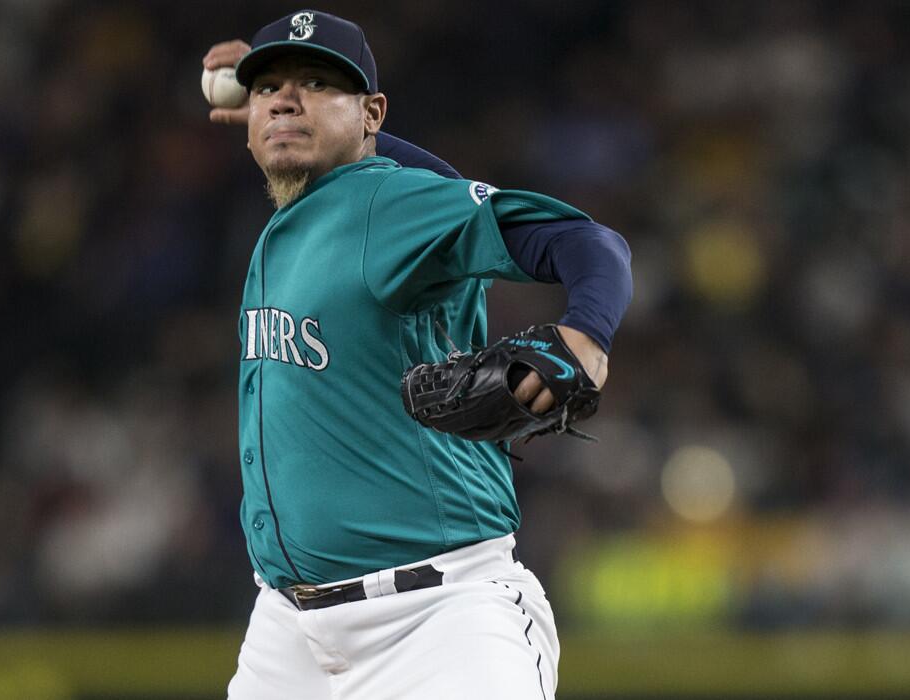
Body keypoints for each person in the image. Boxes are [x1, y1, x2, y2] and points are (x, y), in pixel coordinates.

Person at [204, 10, 632, 699]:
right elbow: (366, 157)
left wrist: (589, 333)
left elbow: (591, 244)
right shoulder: (305, 211)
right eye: (269, 90)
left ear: (373, 112)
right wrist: (292, 115)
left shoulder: (391, 204)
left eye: (317, 84)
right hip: (287, 635)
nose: (285, 98)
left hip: (438, 621)